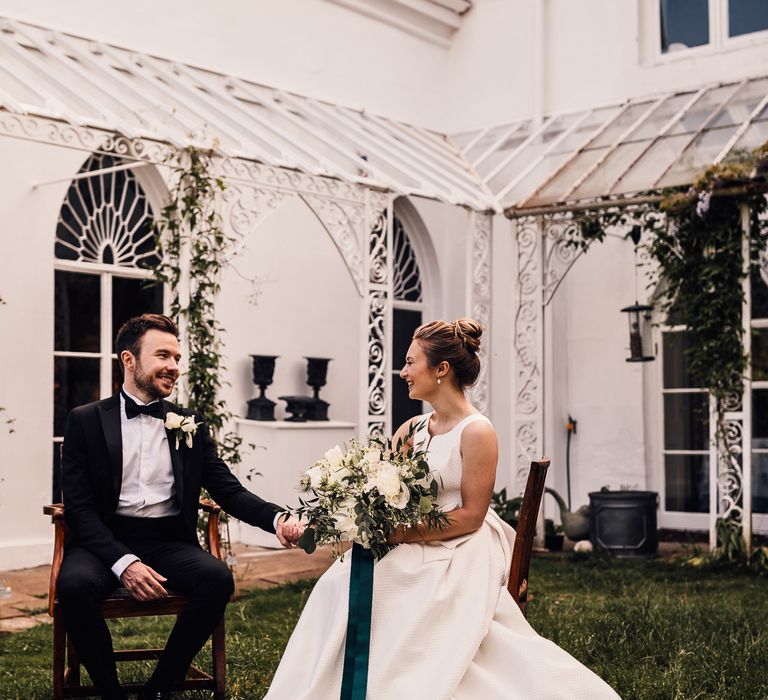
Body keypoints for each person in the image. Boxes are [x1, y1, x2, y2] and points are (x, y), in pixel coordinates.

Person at [266, 318, 620, 699]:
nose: (403, 372)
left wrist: (398, 534)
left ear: (442, 370)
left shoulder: (477, 432)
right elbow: (378, 497)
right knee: (339, 578)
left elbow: (470, 515)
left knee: (395, 579)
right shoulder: (411, 430)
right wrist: (340, 519)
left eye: (410, 362)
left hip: (459, 544)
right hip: (406, 537)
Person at [58, 313, 302, 700]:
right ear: (129, 360)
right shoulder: (84, 421)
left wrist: (277, 518)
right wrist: (125, 563)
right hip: (102, 542)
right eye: (163, 356)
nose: (174, 367)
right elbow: (80, 510)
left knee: (217, 578)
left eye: (176, 357)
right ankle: (110, 692)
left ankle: (158, 688)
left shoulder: (189, 423)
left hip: (168, 541)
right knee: (73, 586)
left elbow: (228, 491)